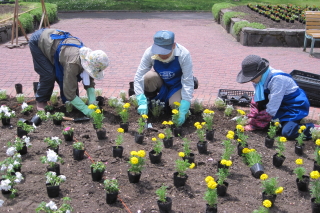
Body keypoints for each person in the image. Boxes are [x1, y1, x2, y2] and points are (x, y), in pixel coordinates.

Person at [236, 54, 319, 140]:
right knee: (271, 121)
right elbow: (257, 100)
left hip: (293, 106)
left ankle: (314, 128)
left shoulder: (277, 80)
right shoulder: (257, 80)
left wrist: (254, 124)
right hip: (279, 104)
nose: (251, 80)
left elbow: (272, 108)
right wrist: (253, 116)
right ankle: (278, 120)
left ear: (260, 72)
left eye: (252, 77)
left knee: (288, 132)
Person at [29, 28, 109, 116]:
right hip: (39, 42)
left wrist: (93, 102)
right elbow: (69, 91)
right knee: (49, 74)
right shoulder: (73, 63)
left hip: (54, 44)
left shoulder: (88, 58)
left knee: (67, 77)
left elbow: (88, 79)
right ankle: (41, 100)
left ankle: (68, 103)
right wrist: (85, 110)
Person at [134, 30, 194, 126]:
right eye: (159, 52)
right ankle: (150, 105)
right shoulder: (150, 52)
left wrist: (184, 106)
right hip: (161, 82)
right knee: (148, 77)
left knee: (176, 105)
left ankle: (180, 109)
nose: (161, 55)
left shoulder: (183, 54)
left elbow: (188, 81)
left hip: (177, 85)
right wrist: (141, 100)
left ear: (173, 46)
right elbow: (139, 76)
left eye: (165, 52)